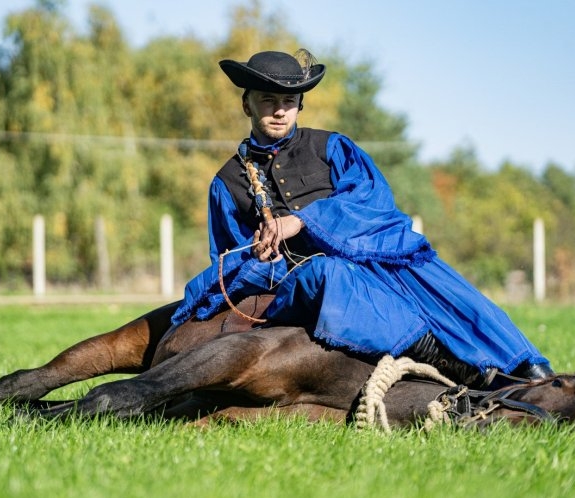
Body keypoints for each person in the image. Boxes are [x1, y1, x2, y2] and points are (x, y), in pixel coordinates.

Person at [171, 49, 554, 386]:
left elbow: (372, 201)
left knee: (439, 283)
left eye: (288, 100)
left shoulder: (332, 148)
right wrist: (260, 258)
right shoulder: (226, 183)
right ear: (246, 105)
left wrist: (301, 220)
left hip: (370, 251)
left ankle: (525, 368)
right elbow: (227, 258)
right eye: (267, 99)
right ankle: (445, 361)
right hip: (299, 284)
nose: (278, 110)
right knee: (327, 275)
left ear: (300, 104)